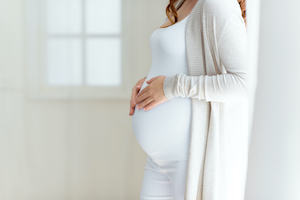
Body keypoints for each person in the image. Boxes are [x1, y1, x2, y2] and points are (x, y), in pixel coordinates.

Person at [129, 0, 248, 199]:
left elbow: (244, 82)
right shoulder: (184, 2)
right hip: (158, 159)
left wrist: (172, 86)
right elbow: (181, 61)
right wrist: (146, 83)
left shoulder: (217, 4)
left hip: (189, 156)